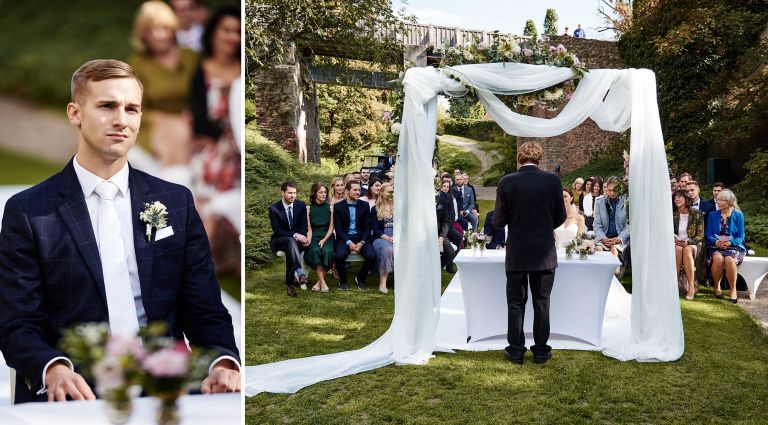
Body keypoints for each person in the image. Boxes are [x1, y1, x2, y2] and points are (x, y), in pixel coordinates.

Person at [0, 59, 240, 404]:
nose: (121, 120)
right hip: (73, 395)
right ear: (75, 113)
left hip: (168, 393)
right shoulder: (30, 211)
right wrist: (53, 368)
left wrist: (222, 361)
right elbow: (16, 322)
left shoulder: (174, 201)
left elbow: (204, 306)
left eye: (132, 109)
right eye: (107, 106)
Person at [493, 142, 566, 365]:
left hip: (517, 252)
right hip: (544, 251)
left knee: (516, 302)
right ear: (539, 158)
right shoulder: (552, 180)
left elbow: (498, 220)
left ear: (519, 158)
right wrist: (544, 225)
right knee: (542, 302)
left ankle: (516, 350)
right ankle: (541, 351)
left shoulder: (507, 182)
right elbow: (561, 216)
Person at [189, 5, 241, 274]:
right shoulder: (202, 68)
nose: (232, 37)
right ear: (213, 33)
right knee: (209, 170)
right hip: (211, 141)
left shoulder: (242, 69)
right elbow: (197, 114)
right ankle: (202, 257)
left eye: (237, 32)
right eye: (226, 30)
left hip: (238, 143)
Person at [130, 1, 199, 169]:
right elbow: (135, 106)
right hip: (155, 125)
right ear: (143, 34)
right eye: (151, 30)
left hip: (193, 124)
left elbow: (205, 95)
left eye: (164, 28)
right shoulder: (139, 64)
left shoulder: (192, 58)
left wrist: (195, 115)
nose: (159, 35)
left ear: (173, 29)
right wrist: (164, 120)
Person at [269, 181, 309, 297]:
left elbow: (304, 226)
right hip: (279, 240)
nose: (293, 196)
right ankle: (299, 272)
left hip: (296, 242)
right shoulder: (274, 209)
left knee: (291, 246)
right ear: (282, 193)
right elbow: (278, 231)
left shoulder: (300, 205)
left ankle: (290, 284)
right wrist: (296, 235)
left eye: (295, 193)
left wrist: (300, 236)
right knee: (290, 241)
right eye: (290, 193)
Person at [333, 181, 376, 290]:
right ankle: (343, 281)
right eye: (355, 190)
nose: (358, 192)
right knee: (339, 256)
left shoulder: (365, 205)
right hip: (345, 238)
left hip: (360, 237)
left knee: (372, 256)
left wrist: (362, 242)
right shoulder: (338, 207)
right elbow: (338, 229)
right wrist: (348, 242)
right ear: (347, 191)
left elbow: (367, 227)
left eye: (359, 190)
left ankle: (360, 278)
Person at [705, 189, 746, 303]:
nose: (718, 202)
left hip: (733, 246)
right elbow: (708, 234)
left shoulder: (738, 215)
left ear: (730, 202)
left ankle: (733, 290)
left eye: (721, 200)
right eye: (718, 199)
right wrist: (716, 242)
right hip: (715, 245)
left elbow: (741, 236)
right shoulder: (713, 215)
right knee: (717, 258)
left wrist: (730, 243)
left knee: (729, 259)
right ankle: (717, 287)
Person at [593, 176, 630, 276]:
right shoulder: (599, 202)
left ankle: (614, 279)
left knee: (614, 250)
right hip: (604, 238)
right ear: (606, 188)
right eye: (610, 190)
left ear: (620, 188)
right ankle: (600, 278)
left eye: (615, 190)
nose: (612, 193)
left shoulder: (627, 201)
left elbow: (629, 225)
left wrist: (619, 238)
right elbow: (597, 224)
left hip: (619, 239)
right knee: (599, 250)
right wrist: (603, 238)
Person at [672, 189, 704, 300]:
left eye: (679, 196)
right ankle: (673, 285)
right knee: (678, 250)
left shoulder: (696, 213)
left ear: (686, 198)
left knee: (687, 250)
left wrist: (688, 242)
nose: (676, 199)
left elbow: (700, 236)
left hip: (693, 243)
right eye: (675, 197)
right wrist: (675, 240)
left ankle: (691, 286)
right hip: (678, 243)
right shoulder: (674, 215)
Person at [305, 182, 335, 293]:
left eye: (325, 192)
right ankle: (322, 282)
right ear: (315, 194)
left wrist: (324, 240)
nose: (324, 194)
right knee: (314, 251)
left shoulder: (331, 207)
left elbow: (331, 228)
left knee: (327, 251)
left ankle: (319, 283)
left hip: (327, 236)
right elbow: (309, 229)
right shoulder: (308, 208)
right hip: (314, 236)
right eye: (320, 192)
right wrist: (310, 240)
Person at [372, 183, 395, 293]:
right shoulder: (375, 209)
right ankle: (383, 282)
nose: (391, 194)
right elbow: (376, 230)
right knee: (388, 250)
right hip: (381, 238)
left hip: (396, 237)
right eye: (389, 192)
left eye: (393, 192)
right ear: (381, 193)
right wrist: (388, 238)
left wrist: (396, 236)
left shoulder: (398, 207)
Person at [437, 180, 460, 273]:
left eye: (447, 186)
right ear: (440, 186)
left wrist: (445, 231)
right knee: (449, 251)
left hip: (447, 225)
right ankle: (440, 266)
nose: (446, 188)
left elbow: (451, 216)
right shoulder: (437, 197)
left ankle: (449, 264)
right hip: (440, 227)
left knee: (458, 238)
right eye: (444, 186)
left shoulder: (450, 198)